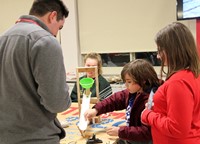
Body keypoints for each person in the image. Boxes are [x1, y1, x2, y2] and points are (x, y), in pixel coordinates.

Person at [0, 0, 71, 144]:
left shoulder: (2, 38)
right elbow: (57, 103)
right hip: (36, 137)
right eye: (60, 27)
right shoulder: (45, 40)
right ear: (52, 16)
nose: (57, 33)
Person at [141, 22, 200, 144]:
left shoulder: (178, 82)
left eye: (160, 50)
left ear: (173, 50)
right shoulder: (192, 75)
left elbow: (177, 128)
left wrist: (148, 115)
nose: (158, 56)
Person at [84, 59, 161, 144]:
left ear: (143, 80)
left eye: (129, 81)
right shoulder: (134, 91)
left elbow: (147, 132)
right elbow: (115, 100)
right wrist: (96, 110)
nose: (126, 85)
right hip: (132, 137)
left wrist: (121, 132)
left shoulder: (151, 101)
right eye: (125, 81)